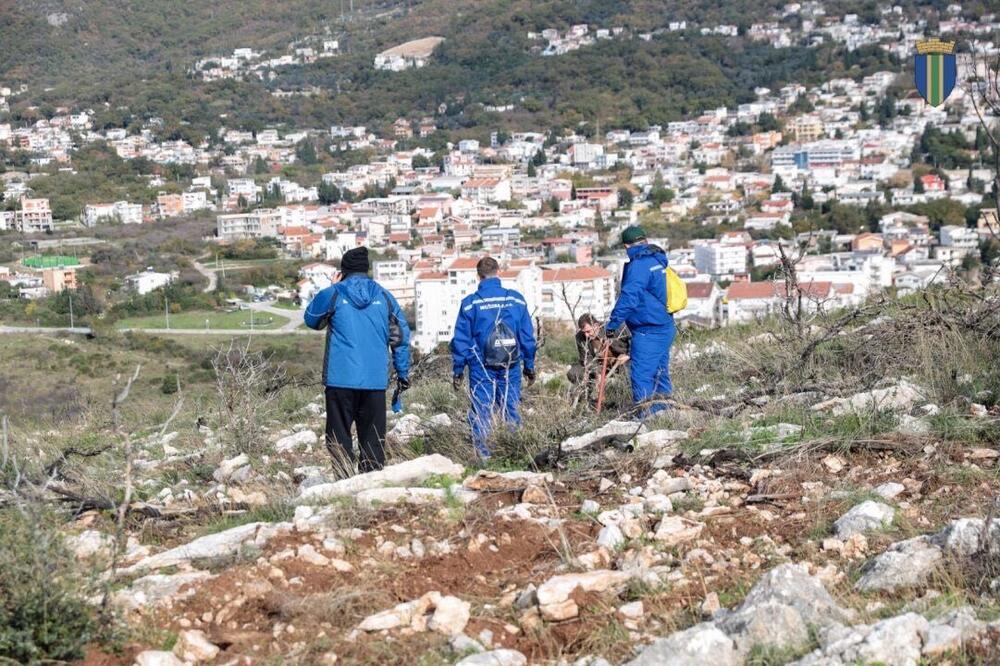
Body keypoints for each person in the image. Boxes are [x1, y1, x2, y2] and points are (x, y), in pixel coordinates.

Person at [304, 246, 410, 473]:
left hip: (340, 379)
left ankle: (343, 480)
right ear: (366, 269)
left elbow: (312, 320)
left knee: (338, 435)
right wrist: (402, 374)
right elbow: (400, 338)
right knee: (373, 439)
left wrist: (332, 286)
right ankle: (369, 485)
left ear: (344, 271)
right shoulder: (384, 296)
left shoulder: (334, 294)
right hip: (374, 381)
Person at [450, 257, 537, 458]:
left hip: (480, 365)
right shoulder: (515, 299)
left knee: (482, 410)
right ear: (499, 272)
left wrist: (458, 370)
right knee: (511, 407)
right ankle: (513, 453)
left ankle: (484, 457)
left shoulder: (470, 304)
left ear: (478, 276)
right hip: (511, 363)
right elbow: (527, 336)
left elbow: (461, 340)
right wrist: (529, 365)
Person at [605, 226, 676, 418]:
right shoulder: (657, 260)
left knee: (641, 375)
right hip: (665, 325)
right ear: (645, 241)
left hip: (648, 329)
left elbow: (629, 297)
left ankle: (646, 419)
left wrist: (612, 325)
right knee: (660, 373)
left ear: (627, 246)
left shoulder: (639, 265)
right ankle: (665, 414)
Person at [567, 313, 629, 404]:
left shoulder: (615, 327)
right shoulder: (580, 337)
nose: (586, 335)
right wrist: (597, 373)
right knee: (574, 372)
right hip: (599, 366)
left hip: (622, 362)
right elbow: (586, 359)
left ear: (596, 325)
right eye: (583, 332)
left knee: (629, 371)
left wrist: (628, 354)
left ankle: (627, 399)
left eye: (588, 331)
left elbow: (636, 338)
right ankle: (585, 401)